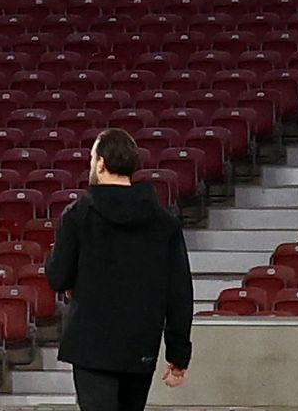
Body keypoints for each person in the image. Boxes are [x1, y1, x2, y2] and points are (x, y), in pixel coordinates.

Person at [42, 129, 192, 411]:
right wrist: (178, 354)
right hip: (140, 346)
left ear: (100, 163)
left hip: (92, 345)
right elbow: (180, 293)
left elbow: (58, 277)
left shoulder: (77, 215)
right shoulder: (164, 222)